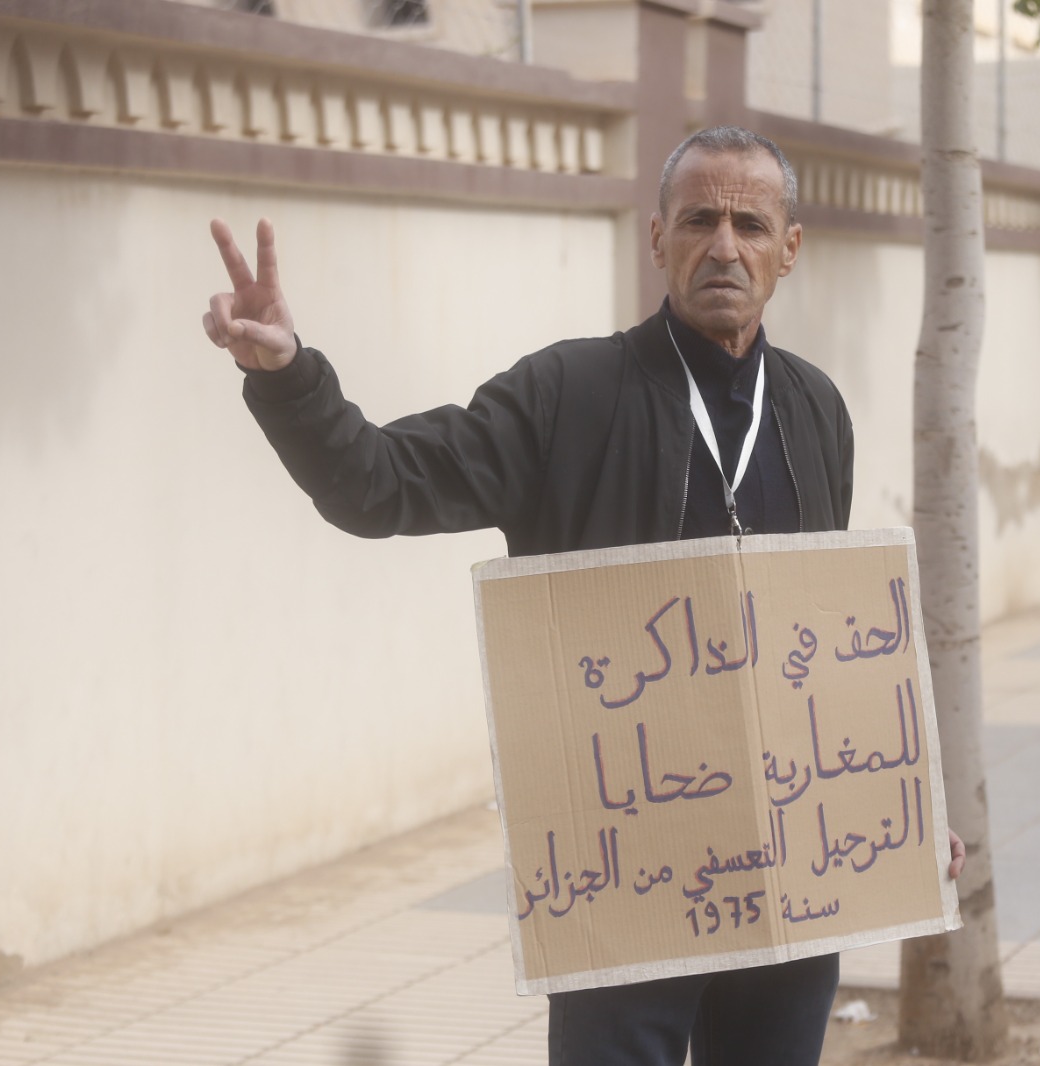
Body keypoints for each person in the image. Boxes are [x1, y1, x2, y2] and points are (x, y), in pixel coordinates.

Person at [203, 125, 964, 1066]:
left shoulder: (816, 409)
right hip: (625, 878)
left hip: (785, 881)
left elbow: (829, 651)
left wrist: (895, 810)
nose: (724, 245)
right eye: (698, 220)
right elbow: (379, 482)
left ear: (789, 249)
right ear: (657, 240)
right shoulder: (568, 394)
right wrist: (288, 376)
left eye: (750, 224)